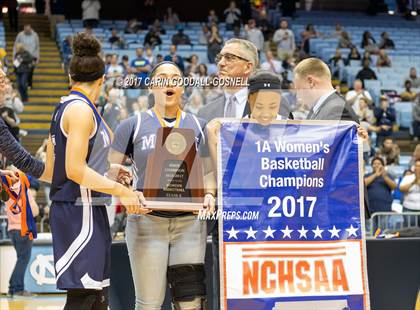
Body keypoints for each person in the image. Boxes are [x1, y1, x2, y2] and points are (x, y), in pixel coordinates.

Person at [47, 32, 144, 309]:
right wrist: (121, 191)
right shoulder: (79, 111)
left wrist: (111, 171)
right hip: (79, 210)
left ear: (70, 76)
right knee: (84, 297)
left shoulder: (75, 107)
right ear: (102, 80)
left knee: (97, 297)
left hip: (89, 207)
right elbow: (75, 170)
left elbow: (67, 167)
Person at [108, 61, 215, 310]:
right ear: (152, 86)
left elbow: (209, 170)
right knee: (149, 303)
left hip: (189, 224)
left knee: (190, 302)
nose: (169, 82)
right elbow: (109, 171)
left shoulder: (199, 125)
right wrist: (125, 191)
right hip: (146, 223)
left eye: (176, 78)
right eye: (163, 77)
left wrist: (209, 193)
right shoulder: (131, 125)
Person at [6, 167, 39, 297]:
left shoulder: (7, 191)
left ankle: (13, 287)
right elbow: (35, 211)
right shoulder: (24, 191)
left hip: (12, 230)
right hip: (24, 230)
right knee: (23, 260)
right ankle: (17, 288)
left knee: (20, 259)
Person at [293, 57, 359, 122]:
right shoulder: (320, 108)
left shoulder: (336, 108)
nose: (298, 96)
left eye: (299, 89)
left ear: (311, 82)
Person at [364, 157, 397, 229]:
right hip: (370, 211)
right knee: (371, 233)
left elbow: (394, 186)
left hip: (384, 209)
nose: (376, 165)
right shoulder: (367, 175)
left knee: (383, 233)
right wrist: (376, 175)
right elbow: (363, 184)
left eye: (379, 163)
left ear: (383, 165)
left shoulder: (388, 175)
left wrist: (384, 176)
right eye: (374, 163)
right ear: (371, 166)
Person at [13, 25, 39, 89]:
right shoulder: (20, 35)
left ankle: (29, 84)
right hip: (22, 57)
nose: (27, 31)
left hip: (32, 56)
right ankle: (24, 84)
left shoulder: (35, 35)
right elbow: (15, 45)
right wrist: (14, 57)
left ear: (31, 29)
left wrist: (37, 57)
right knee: (21, 71)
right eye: (26, 30)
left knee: (31, 71)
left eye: (28, 30)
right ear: (24, 29)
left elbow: (37, 47)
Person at [399, 159, 420, 226]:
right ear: (414, 167)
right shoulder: (408, 177)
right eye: (417, 166)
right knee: (410, 230)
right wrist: (413, 182)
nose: (418, 168)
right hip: (409, 208)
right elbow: (401, 189)